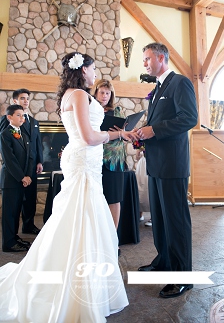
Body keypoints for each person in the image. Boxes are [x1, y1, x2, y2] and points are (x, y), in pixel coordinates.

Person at [0, 52, 131, 320]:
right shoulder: (80, 95)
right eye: (93, 69)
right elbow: (88, 136)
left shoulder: (72, 94)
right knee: (80, 216)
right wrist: (119, 134)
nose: (96, 74)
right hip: (83, 160)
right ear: (83, 70)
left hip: (84, 160)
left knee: (80, 217)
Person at [135, 42, 198, 299]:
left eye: (147, 59)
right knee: (160, 219)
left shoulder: (180, 83)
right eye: (144, 60)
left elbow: (189, 118)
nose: (145, 64)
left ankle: (183, 277)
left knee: (175, 221)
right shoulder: (159, 87)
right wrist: (143, 136)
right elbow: (159, 122)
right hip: (156, 163)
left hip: (172, 164)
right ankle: (164, 262)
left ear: (161, 58)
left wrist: (154, 130)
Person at [0, 89, 44, 235]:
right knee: (15, 204)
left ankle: (28, 225)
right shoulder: (8, 121)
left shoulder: (34, 121)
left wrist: (39, 161)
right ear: (15, 101)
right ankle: (11, 236)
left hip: (31, 166)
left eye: (27, 98)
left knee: (30, 198)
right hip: (17, 168)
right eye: (22, 98)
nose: (26, 101)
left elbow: (37, 143)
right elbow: (6, 145)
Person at [0, 105, 34, 253]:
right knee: (10, 212)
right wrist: (22, 177)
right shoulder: (5, 134)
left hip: (22, 179)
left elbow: (30, 156)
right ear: (9, 117)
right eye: (18, 115)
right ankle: (8, 243)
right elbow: (10, 159)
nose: (22, 118)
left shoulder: (24, 135)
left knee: (16, 211)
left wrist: (28, 175)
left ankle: (14, 237)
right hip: (11, 180)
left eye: (23, 115)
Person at [94, 79, 125, 230]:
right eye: (102, 92)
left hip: (114, 161)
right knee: (95, 199)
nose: (105, 96)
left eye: (108, 93)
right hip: (95, 160)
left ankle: (113, 236)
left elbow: (125, 135)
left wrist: (122, 132)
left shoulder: (117, 111)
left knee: (114, 199)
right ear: (95, 93)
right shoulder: (90, 110)